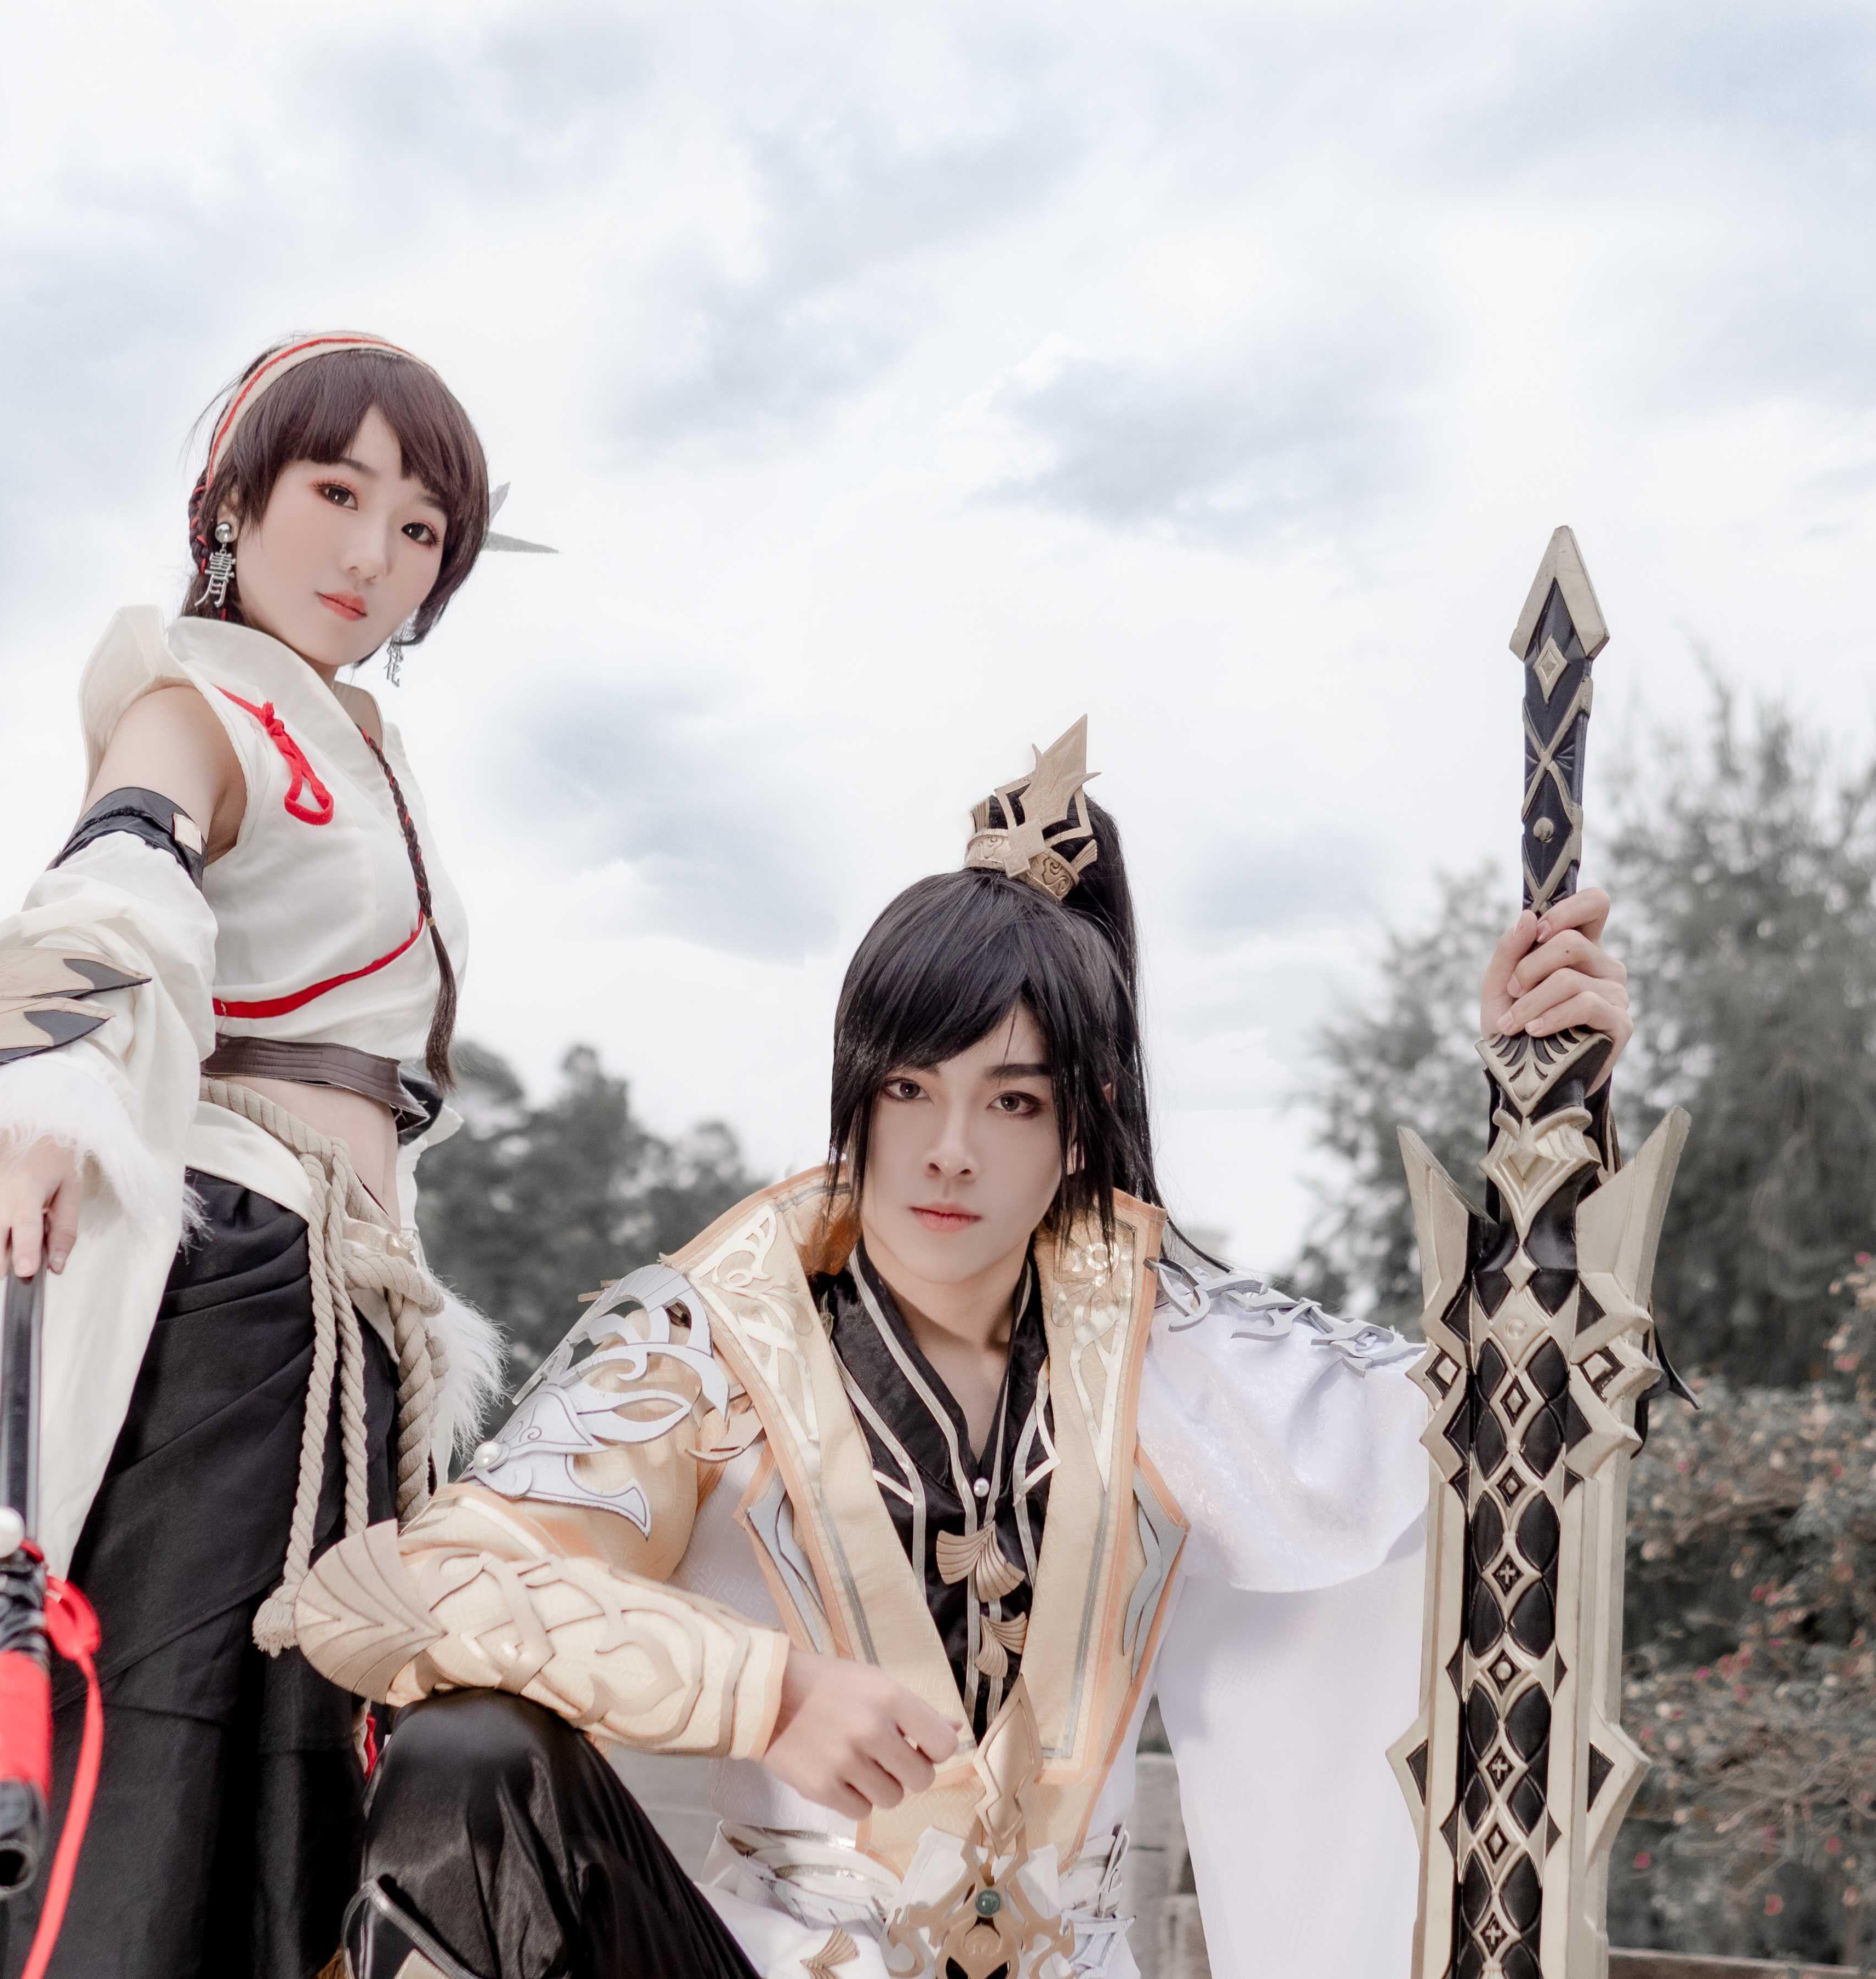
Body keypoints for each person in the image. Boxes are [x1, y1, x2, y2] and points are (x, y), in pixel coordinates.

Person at [288, 721, 1636, 1978]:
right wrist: (764, 1691)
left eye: (1011, 1101)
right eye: (908, 1089)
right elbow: (392, 1596)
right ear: (857, 1097)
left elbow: (1507, 1422)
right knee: (468, 1760)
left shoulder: (1171, 1340)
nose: (947, 1151)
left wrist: (1552, 1107)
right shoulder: (712, 1339)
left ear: (1081, 1122)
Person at [0, 334, 519, 1979]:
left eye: (420, 528)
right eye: (335, 491)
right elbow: (117, 878)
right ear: (235, 501)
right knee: (140, 1756)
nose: (371, 554)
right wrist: (40, 1100)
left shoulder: (363, 747)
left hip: (343, 1321)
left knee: (273, 1795)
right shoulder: (194, 702)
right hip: (227, 1300)